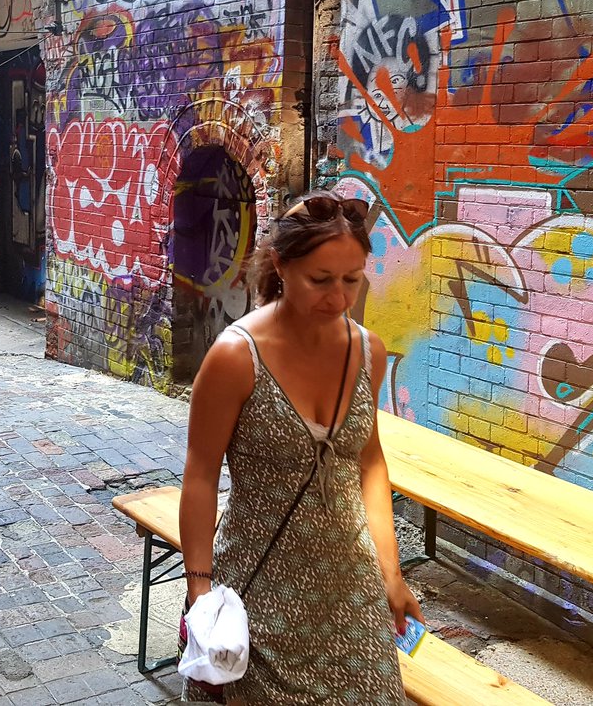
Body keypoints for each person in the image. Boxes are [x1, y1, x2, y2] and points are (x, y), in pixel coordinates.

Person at [179, 190, 422, 704]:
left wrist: (391, 574)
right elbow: (200, 476)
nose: (338, 298)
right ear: (282, 266)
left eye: (351, 280)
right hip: (262, 586)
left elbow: (369, 461)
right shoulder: (234, 358)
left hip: (351, 588)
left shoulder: (367, 352)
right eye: (320, 280)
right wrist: (199, 590)